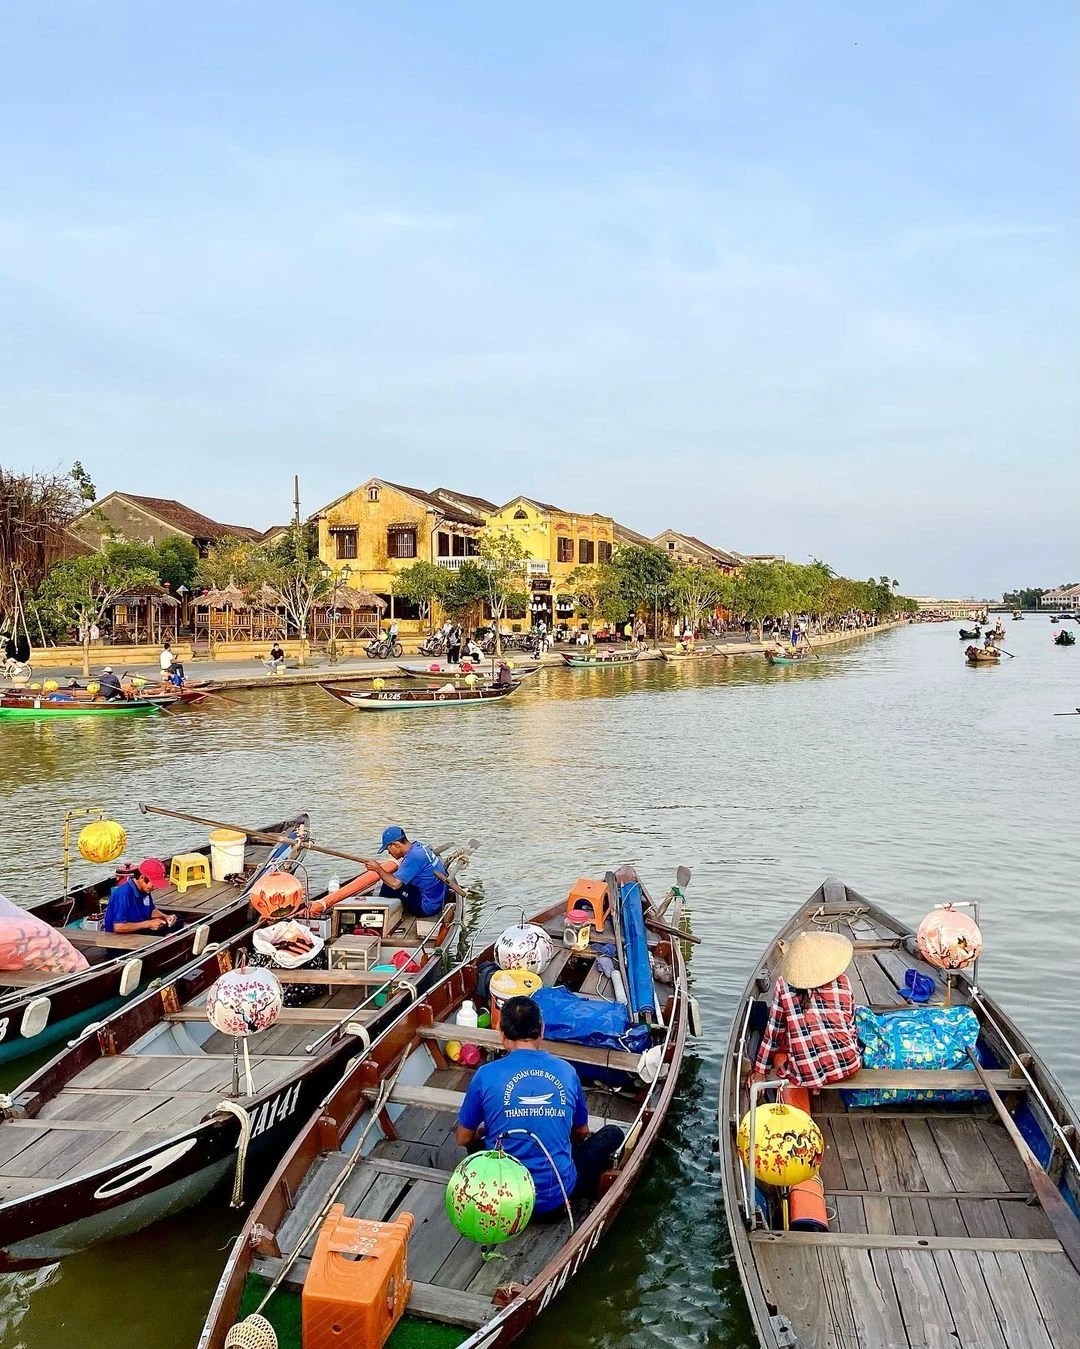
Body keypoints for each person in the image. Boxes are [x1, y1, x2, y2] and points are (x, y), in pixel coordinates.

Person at [455, 996, 624, 1220]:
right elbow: (581, 1132)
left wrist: (485, 1131)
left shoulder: (485, 1075)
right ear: (542, 1030)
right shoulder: (567, 1071)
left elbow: (463, 1138)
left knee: (474, 1137)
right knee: (613, 1133)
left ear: (501, 1033)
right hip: (553, 1203)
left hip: (502, 1203)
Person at [751, 930, 860, 1088]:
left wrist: (759, 1071)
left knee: (780, 1054)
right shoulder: (844, 981)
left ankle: (813, 1089)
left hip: (808, 1077)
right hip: (850, 1066)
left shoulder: (783, 985)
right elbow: (850, 1025)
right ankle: (820, 1083)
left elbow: (774, 1033)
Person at [361, 826, 449, 918]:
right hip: (439, 898)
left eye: (388, 849)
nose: (389, 853)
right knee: (393, 880)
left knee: (388, 886)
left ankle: (380, 915)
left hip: (428, 907)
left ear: (396, 845)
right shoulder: (419, 846)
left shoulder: (414, 858)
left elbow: (395, 884)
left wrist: (377, 869)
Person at [102, 859, 180, 934]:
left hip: (140, 927)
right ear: (142, 878)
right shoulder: (123, 893)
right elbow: (118, 927)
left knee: (178, 920)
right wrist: (148, 924)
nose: (155, 887)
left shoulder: (145, 889)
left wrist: (166, 917)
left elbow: (151, 910)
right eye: (153, 884)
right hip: (121, 936)